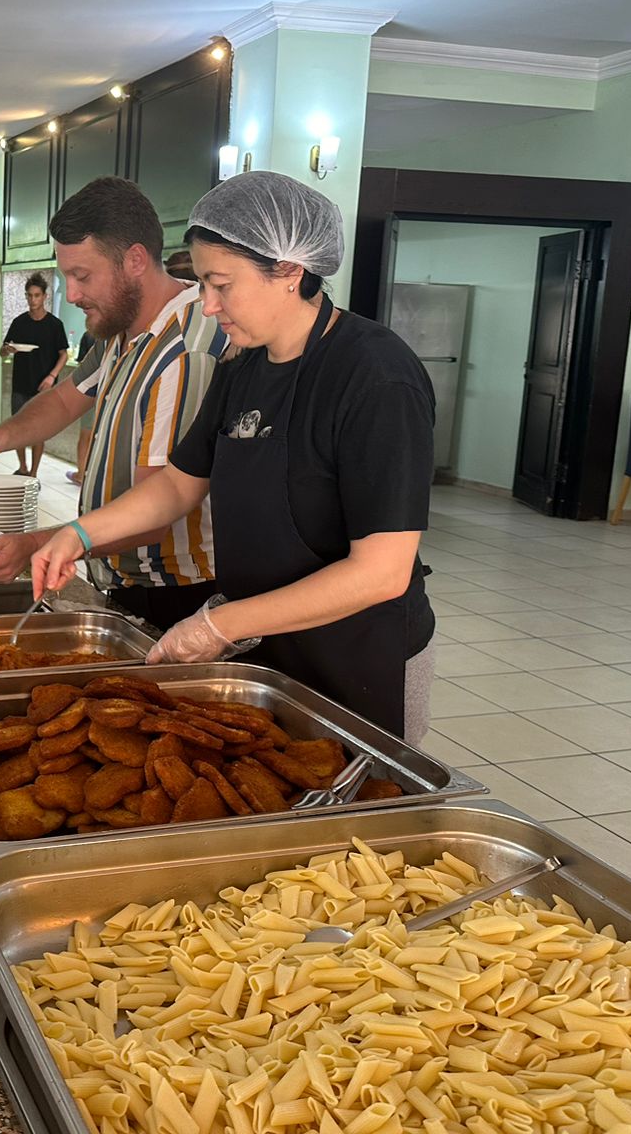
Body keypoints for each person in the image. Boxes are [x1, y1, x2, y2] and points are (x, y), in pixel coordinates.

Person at [32, 171, 438, 744]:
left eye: (220, 283)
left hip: (360, 653)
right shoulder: (244, 368)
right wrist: (78, 534)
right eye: (202, 283)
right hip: (267, 644)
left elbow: (382, 571)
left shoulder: (376, 376)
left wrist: (219, 624)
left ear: (290, 271)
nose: (207, 304)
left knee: (357, 792)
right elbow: (178, 484)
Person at [0, 176, 229, 629]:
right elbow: (63, 400)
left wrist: (39, 543)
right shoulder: (122, 330)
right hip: (124, 579)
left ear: (135, 260)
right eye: (66, 277)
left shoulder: (184, 352)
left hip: (174, 596)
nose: (72, 294)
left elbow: (155, 513)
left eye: (82, 276)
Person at [0, 273, 68, 476]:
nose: (33, 300)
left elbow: (63, 354)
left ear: (45, 296)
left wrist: (52, 376)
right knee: (18, 428)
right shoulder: (19, 322)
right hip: (20, 383)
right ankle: (22, 467)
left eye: (37, 295)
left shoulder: (54, 325)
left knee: (39, 431)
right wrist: (7, 350)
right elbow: (2, 351)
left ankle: (34, 473)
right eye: (29, 295)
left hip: (43, 386)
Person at [66, 330, 95, 485]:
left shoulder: (90, 335)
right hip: (114, 394)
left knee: (86, 434)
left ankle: (81, 474)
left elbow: (81, 366)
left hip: (91, 393)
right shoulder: (121, 335)